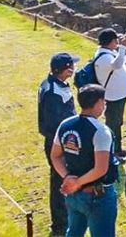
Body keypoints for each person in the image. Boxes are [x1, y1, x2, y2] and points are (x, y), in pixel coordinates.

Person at [50, 84, 119, 237]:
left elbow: (55, 156)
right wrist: (77, 182)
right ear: (99, 103)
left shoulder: (65, 124)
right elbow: (101, 169)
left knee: (73, 232)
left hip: (73, 195)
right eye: (104, 102)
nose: (105, 105)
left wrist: (68, 178)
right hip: (97, 196)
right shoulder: (101, 131)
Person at [38, 53, 79, 235]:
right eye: (72, 66)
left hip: (60, 141)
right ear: (67, 69)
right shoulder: (53, 92)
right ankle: (60, 225)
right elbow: (54, 123)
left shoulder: (54, 84)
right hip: (58, 143)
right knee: (60, 182)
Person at [94, 28, 126, 158]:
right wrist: (123, 47)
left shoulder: (107, 54)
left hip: (117, 95)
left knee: (117, 122)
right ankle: (113, 152)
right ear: (111, 41)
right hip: (113, 97)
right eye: (116, 40)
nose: (117, 42)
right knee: (113, 124)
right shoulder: (103, 57)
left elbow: (118, 63)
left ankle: (117, 149)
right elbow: (116, 65)